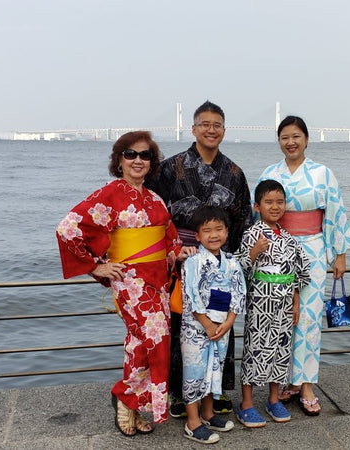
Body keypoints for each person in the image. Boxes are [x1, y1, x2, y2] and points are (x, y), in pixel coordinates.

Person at [56, 131, 193, 437]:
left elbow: (168, 239)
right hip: (131, 283)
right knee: (156, 339)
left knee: (137, 345)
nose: (138, 160)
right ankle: (125, 394)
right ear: (118, 160)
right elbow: (68, 228)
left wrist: (178, 252)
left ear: (152, 162)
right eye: (130, 154)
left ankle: (130, 408)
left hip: (157, 282)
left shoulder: (154, 198)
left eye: (145, 155)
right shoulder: (109, 194)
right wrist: (97, 266)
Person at [145, 100, 253, 417]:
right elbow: (153, 214)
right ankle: (180, 393)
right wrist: (169, 251)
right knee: (182, 325)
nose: (210, 129)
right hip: (181, 258)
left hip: (221, 261)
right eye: (204, 124)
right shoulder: (169, 169)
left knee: (220, 325)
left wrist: (233, 264)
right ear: (193, 129)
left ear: (223, 130)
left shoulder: (234, 173)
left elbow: (243, 221)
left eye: (216, 124)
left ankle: (216, 391)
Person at [257, 116, 350, 416]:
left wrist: (339, 254)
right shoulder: (269, 172)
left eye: (296, 136)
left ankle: (307, 384)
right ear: (279, 141)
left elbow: (335, 212)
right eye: (285, 137)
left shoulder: (323, 173)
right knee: (282, 315)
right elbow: (259, 211)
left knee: (309, 317)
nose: (291, 142)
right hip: (277, 248)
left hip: (312, 249)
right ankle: (286, 380)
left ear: (307, 139)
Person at [235, 180, 310, 427]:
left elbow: (298, 273)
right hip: (260, 303)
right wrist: (255, 251)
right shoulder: (251, 233)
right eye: (268, 202)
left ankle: (273, 398)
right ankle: (246, 403)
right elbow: (240, 266)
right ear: (257, 206)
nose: (275, 206)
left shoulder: (289, 238)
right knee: (255, 349)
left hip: (284, 302)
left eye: (280, 202)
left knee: (280, 350)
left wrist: (295, 302)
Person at [180, 206, 246, 444]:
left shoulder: (232, 262)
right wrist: (207, 324)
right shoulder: (192, 262)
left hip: (222, 328)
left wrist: (229, 321)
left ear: (227, 232)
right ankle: (192, 422)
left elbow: (239, 292)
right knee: (194, 371)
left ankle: (208, 413)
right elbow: (191, 296)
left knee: (213, 369)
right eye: (207, 230)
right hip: (197, 328)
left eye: (219, 229)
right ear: (197, 236)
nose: (214, 235)